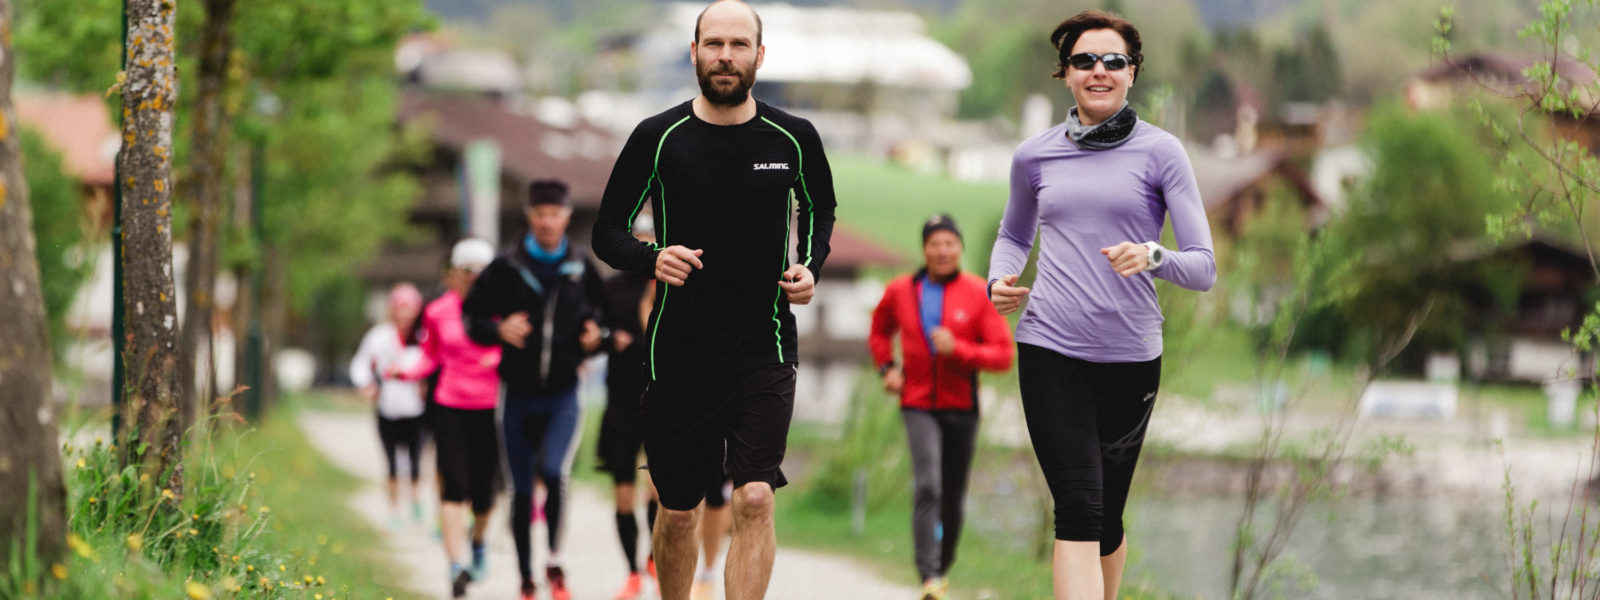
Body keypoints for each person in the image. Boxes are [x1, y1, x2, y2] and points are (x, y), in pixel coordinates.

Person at [590, 1, 837, 598]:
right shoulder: (659, 137)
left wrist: (810, 266)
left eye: (739, 44)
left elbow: (821, 209)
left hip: (765, 347)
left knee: (755, 496)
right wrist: (652, 257)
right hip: (678, 352)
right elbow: (607, 233)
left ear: (759, 54)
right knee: (678, 509)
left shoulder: (793, 137)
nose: (726, 56)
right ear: (694, 51)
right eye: (714, 44)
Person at [986, 10, 1216, 600]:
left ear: (1132, 73)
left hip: (1132, 356)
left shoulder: (1163, 154)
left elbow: (1204, 266)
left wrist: (1153, 256)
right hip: (1049, 348)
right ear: (1066, 74)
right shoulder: (1033, 157)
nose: (1099, 71)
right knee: (1079, 508)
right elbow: (1014, 235)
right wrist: (999, 280)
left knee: (1108, 515)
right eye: (1085, 60)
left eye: (1113, 61)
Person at [462, 179, 605, 600]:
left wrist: (595, 336)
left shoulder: (581, 266)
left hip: (563, 393)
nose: (547, 221)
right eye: (540, 214)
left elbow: (601, 319)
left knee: (555, 474)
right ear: (530, 217)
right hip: (518, 394)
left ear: (565, 217)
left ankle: (554, 561)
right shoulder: (505, 266)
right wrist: (497, 329)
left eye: (554, 214)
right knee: (521, 489)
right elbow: (471, 318)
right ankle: (526, 577)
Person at [869, 215, 1014, 600]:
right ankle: (928, 574)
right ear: (924, 249)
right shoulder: (901, 290)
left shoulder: (977, 292)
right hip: (916, 403)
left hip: (962, 405)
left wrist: (959, 349)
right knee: (928, 484)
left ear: (960, 248)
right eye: (935, 243)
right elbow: (879, 329)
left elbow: (1003, 356)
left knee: (953, 493)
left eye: (950, 242)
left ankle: (943, 569)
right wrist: (887, 367)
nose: (943, 250)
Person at [391, 238, 502, 599]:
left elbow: (515, 351)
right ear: (453, 274)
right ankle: (455, 564)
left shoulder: (500, 311)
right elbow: (430, 357)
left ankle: (480, 542)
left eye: (482, 272)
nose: (473, 277)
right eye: (467, 270)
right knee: (453, 484)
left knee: (485, 494)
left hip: (489, 406)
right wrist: (404, 373)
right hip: (450, 404)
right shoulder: (437, 311)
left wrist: (496, 360)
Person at [595, 213, 660, 599]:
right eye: (640, 239)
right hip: (620, 400)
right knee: (622, 492)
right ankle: (632, 571)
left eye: (653, 238)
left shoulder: (671, 285)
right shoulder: (612, 287)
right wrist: (605, 338)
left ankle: (653, 558)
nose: (646, 245)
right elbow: (589, 330)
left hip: (658, 400)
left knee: (656, 488)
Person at [350, 282, 430, 531]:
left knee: (417, 462)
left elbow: (434, 363)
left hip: (417, 409)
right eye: (400, 308)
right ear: (392, 310)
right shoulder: (379, 336)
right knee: (392, 464)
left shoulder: (425, 336)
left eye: (410, 309)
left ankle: (415, 499)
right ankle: (394, 511)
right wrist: (366, 386)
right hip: (388, 407)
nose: (405, 315)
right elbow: (361, 364)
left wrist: (428, 386)